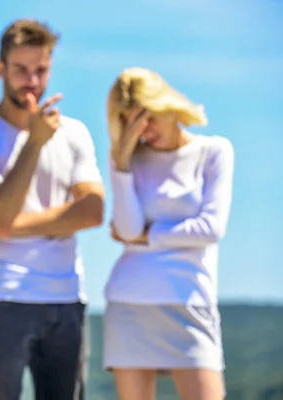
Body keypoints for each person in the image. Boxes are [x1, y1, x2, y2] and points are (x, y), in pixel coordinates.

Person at [0, 19, 105, 400]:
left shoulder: (75, 132)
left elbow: (93, 211)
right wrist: (33, 143)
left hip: (67, 296)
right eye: (21, 70)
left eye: (41, 70)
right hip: (2, 297)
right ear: (0, 69)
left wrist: (8, 227)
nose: (32, 81)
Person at [103, 67, 235, 400]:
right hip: (130, 302)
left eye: (147, 117)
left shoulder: (213, 152)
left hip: (190, 299)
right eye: (132, 123)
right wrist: (120, 164)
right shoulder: (127, 157)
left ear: (165, 105)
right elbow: (128, 228)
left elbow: (210, 228)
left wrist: (148, 237)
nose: (144, 130)